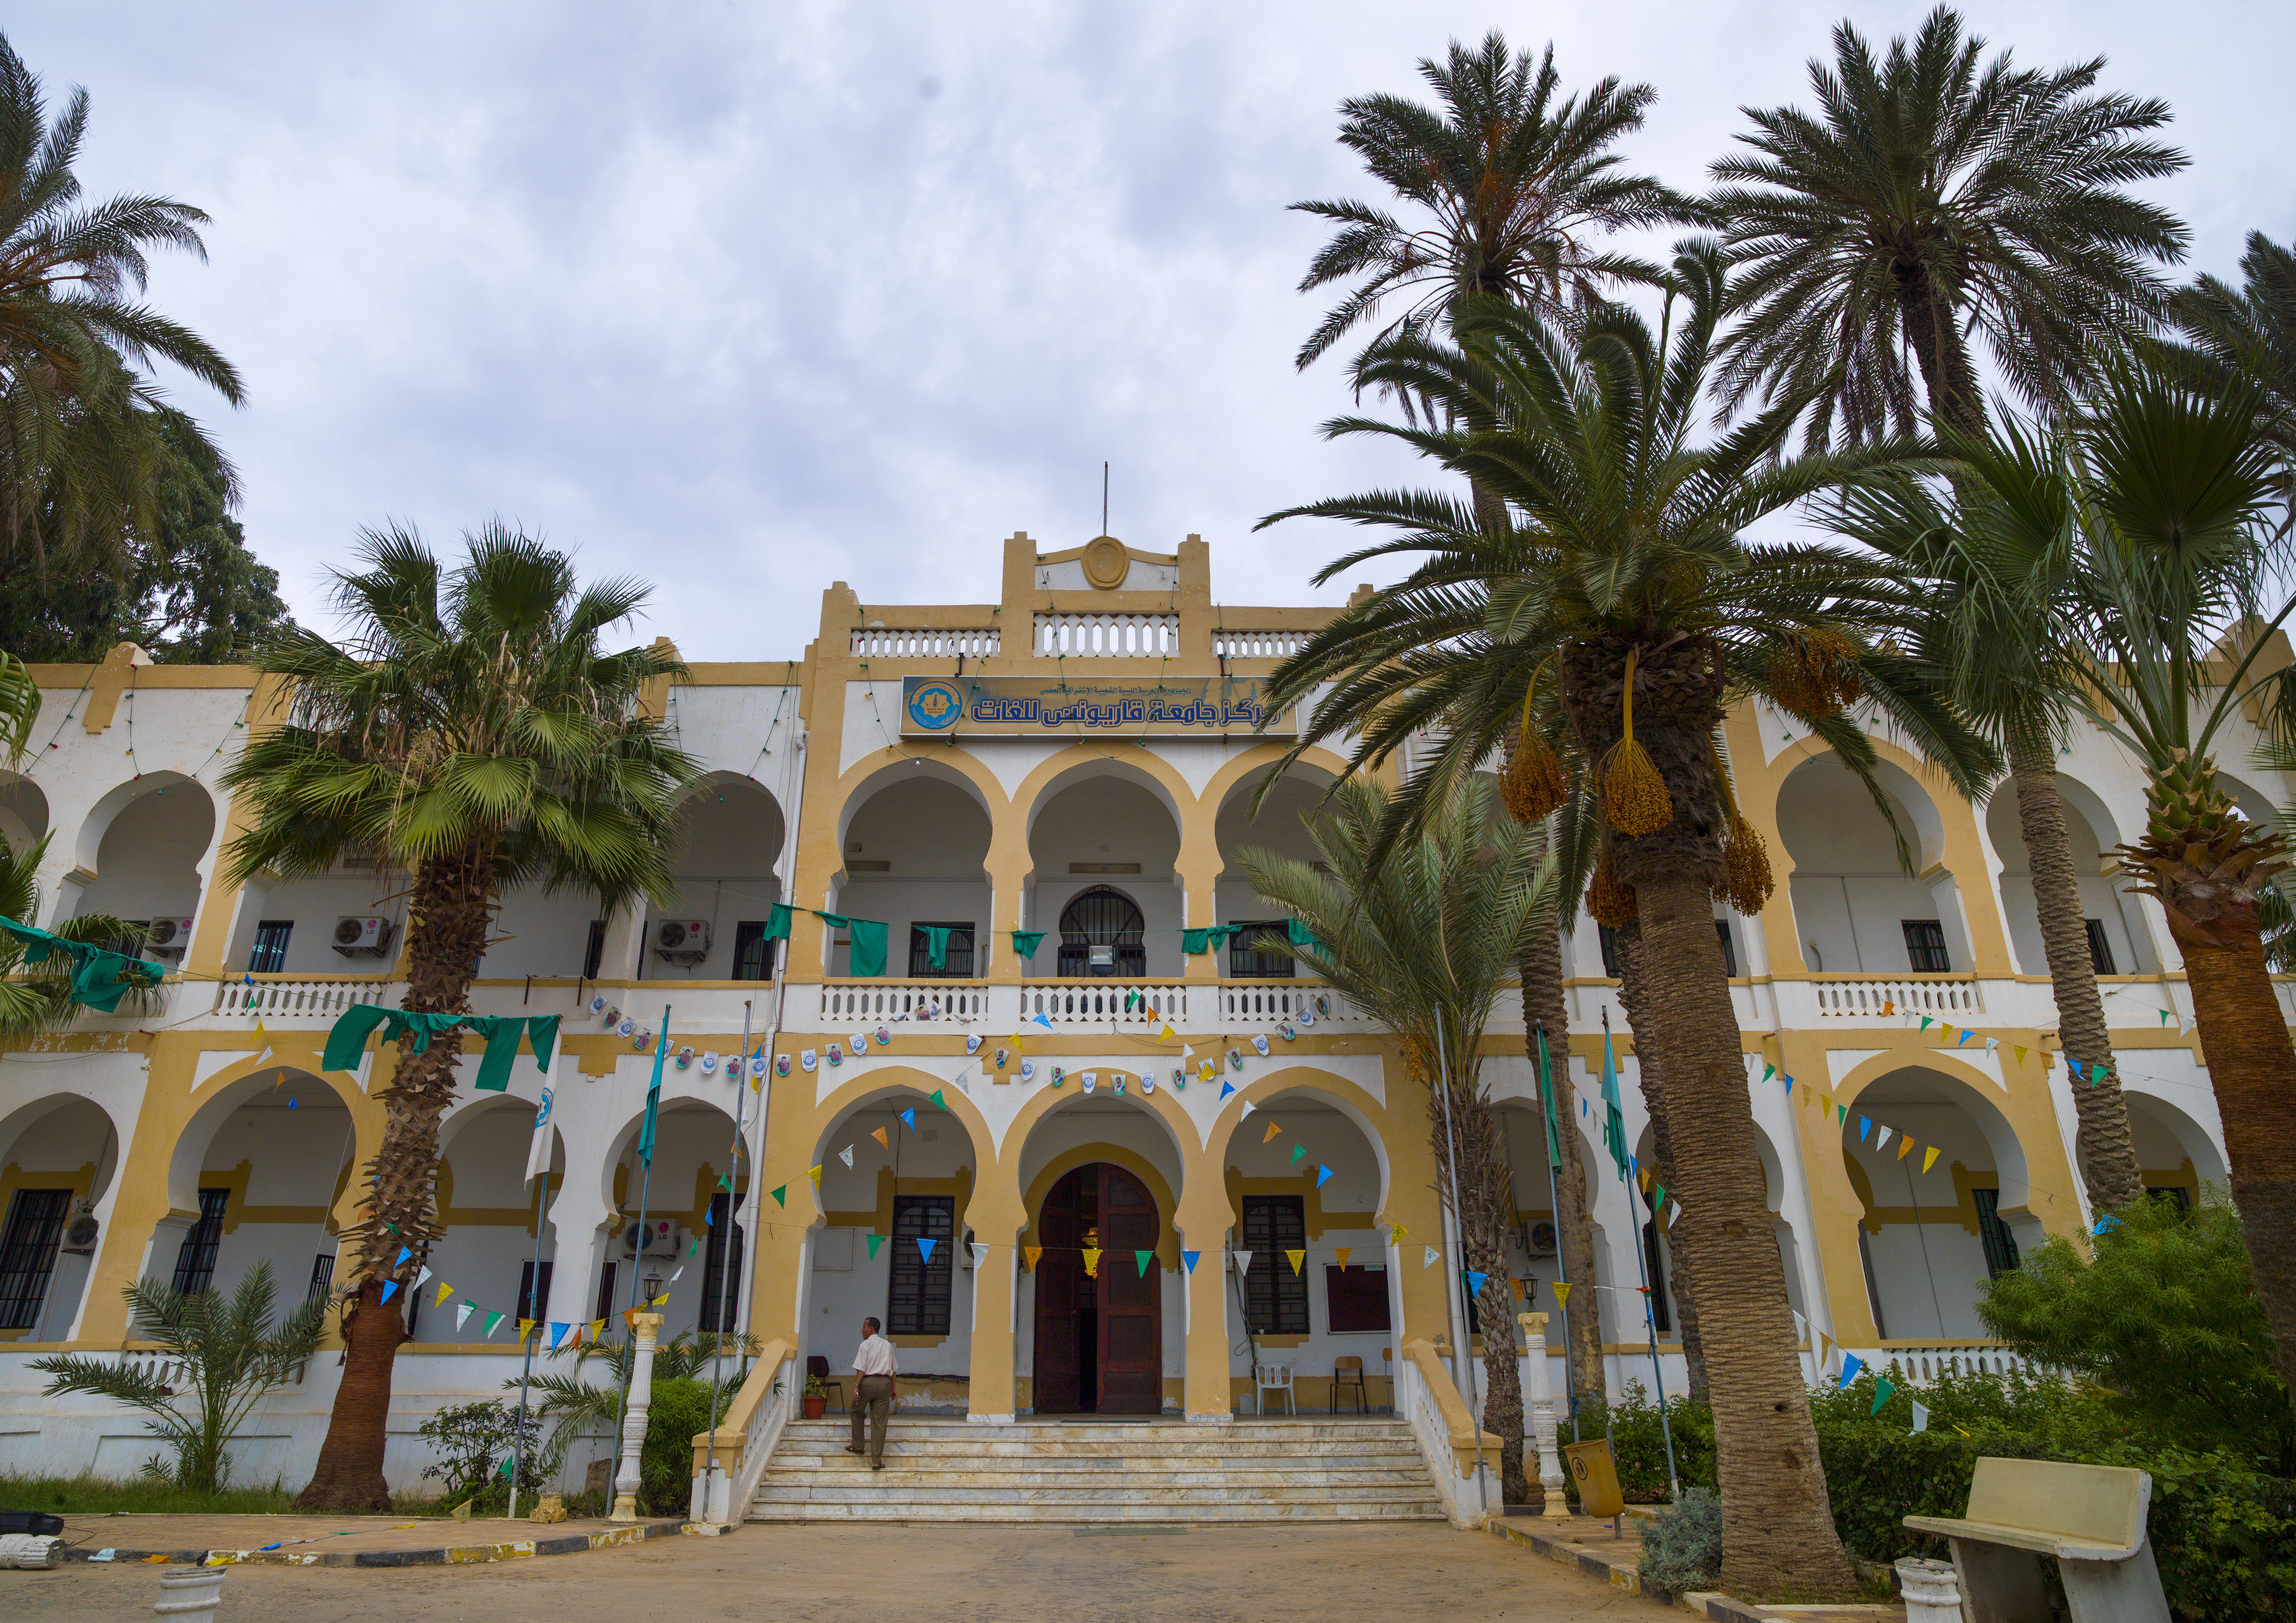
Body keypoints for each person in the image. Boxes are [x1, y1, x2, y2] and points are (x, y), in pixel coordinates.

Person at [847, 1314, 896, 1469]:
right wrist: (893, 1389)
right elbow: (894, 1371)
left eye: (864, 1327)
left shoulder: (865, 1345)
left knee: (856, 1410)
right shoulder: (888, 1345)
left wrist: (856, 1386)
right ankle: (877, 1461)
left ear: (871, 1329)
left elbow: (861, 1369)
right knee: (880, 1423)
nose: (862, 1330)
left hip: (868, 1383)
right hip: (885, 1384)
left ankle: (858, 1445)